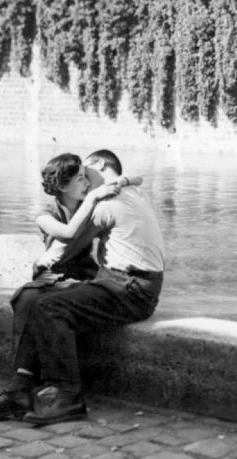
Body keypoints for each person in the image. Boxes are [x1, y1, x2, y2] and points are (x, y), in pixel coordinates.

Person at [0, 152, 136, 423]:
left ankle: (25, 388)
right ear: (62, 186)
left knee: (35, 299)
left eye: (87, 176)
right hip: (55, 276)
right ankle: (20, 388)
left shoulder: (93, 204)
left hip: (86, 278)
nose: (87, 183)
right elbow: (67, 236)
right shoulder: (48, 213)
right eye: (80, 178)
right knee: (26, 298)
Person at [23, 149, 164, 427]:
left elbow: (64, 250)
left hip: (128, 288)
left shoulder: (105, 204)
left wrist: (41, 262)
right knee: (49, 300)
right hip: (135, 284)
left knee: (49, 307)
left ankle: (68, 397)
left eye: (86, 172)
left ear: (99, 164)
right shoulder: (131, 193)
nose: (85, 180)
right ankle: (34, 384)